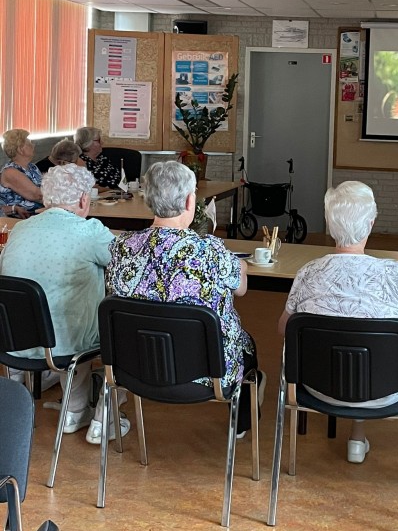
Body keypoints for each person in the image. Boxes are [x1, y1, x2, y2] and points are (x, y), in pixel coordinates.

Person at [278, 180, 398, 464]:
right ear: (371, 223)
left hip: (318, 387)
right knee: (366, 347)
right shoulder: (394, 274)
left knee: (350, 339)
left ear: (329, 224)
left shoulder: (308, 272)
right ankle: (357, 437)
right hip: (384, 392)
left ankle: (357, 436)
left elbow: (284, 329)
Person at [105, 160, 265, 437]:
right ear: (190, 201)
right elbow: (240, 289)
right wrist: (240, 266)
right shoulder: (210, 250)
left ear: (148, 200)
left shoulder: (121, 247)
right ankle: (242, 423)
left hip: (133, 368)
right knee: (246, 345)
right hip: (209, 374)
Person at [0, 163, 130, 444]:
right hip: (65, 346)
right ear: (84, 199)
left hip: (15, 343)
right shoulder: (89, 231)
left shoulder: (19, 230)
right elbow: (126, 263)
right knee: (100, 321)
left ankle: (75, 410)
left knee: (63, 313)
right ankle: (85, 411)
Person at [0, 129, 43, 213]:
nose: (33, 145)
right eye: (29, 143)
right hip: (21, 217)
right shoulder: (10, 172)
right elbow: (36, 195)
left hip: (39, 213)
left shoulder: (32, 167)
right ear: (20, 150)